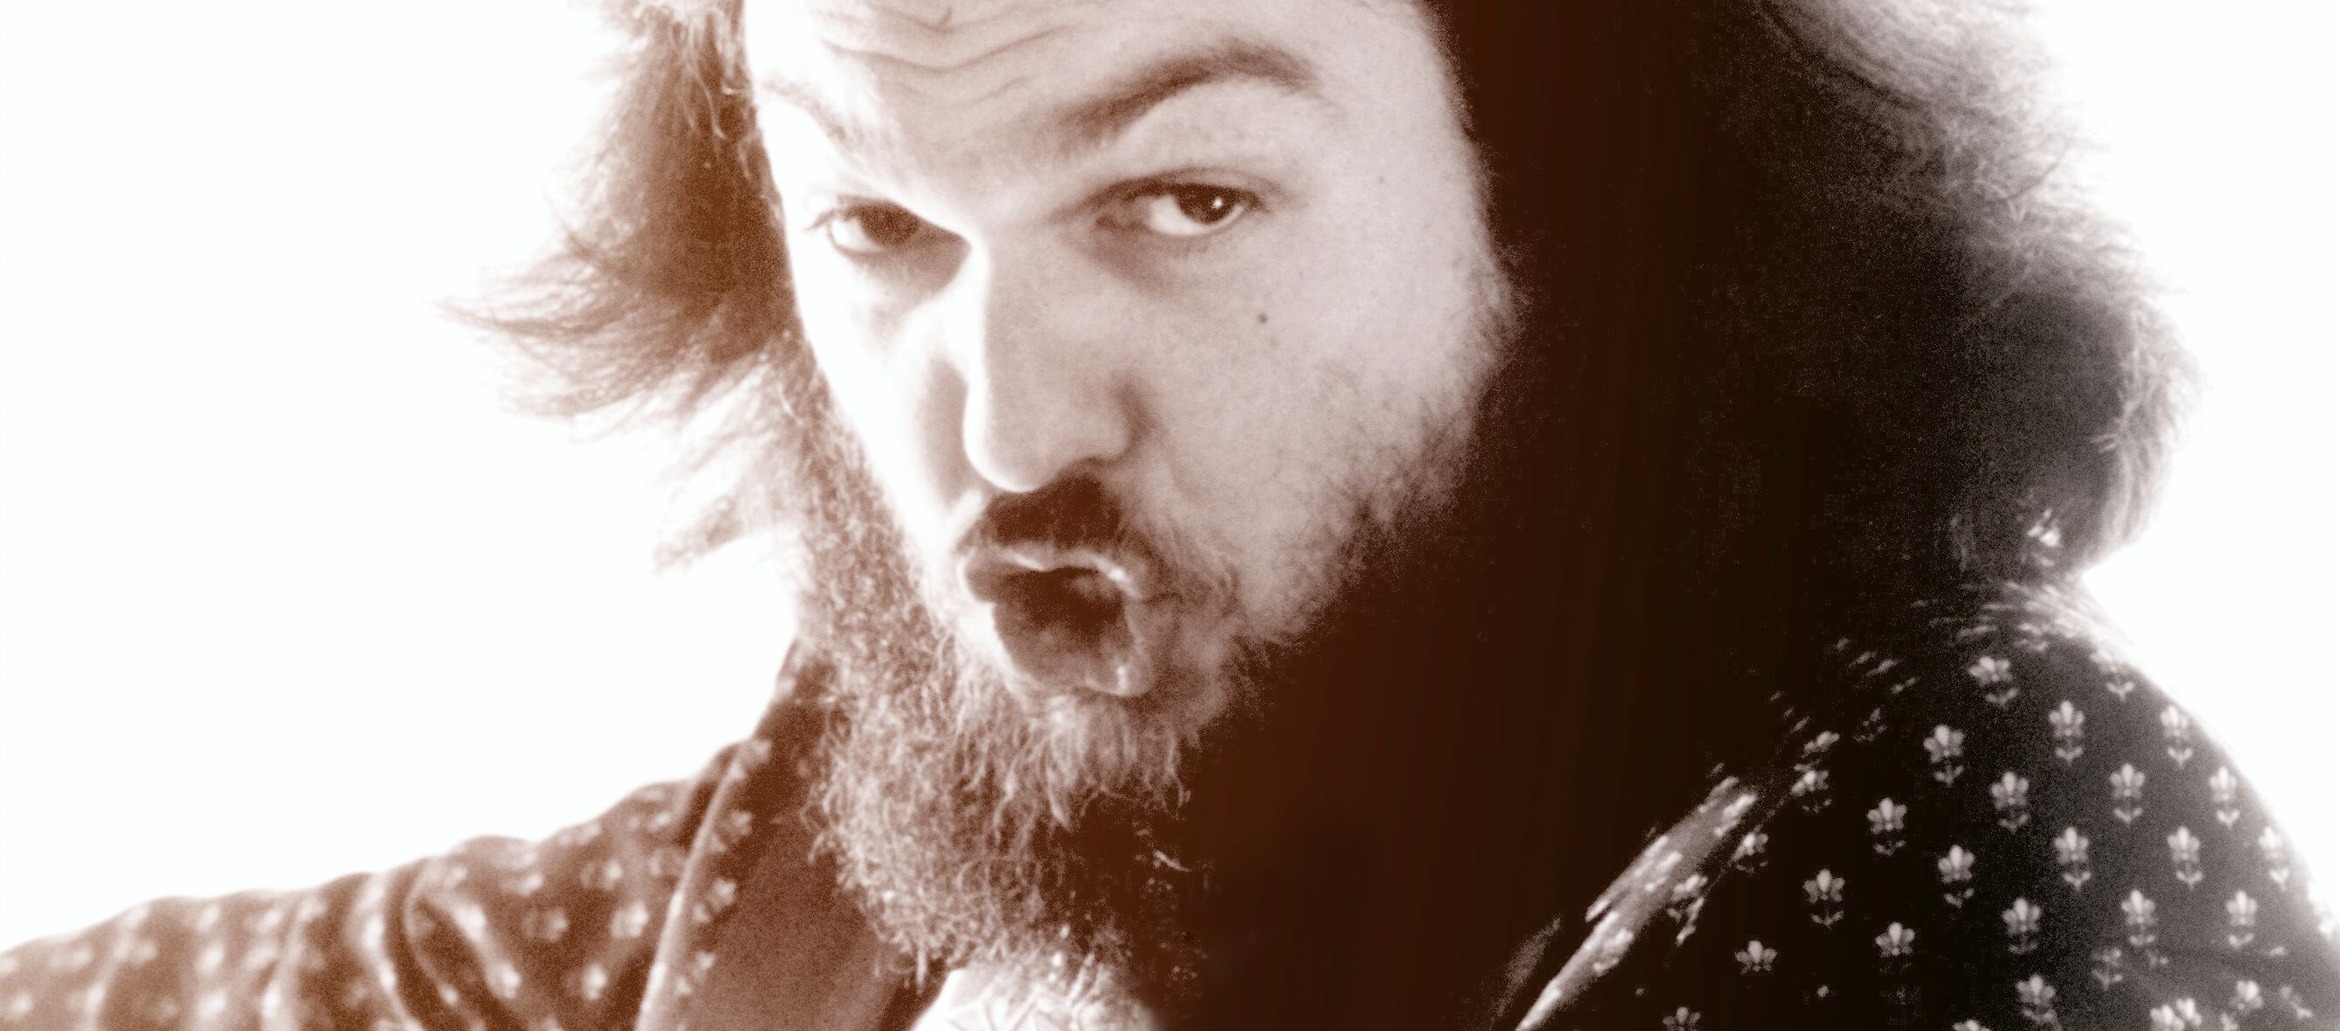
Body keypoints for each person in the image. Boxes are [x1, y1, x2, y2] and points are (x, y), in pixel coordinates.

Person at [3, 0, 2334, 1028]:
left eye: (1187, 197)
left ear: (1604, 215)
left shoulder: (2002, 850)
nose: (1005, 431)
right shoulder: (869, 837)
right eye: (878, 229)